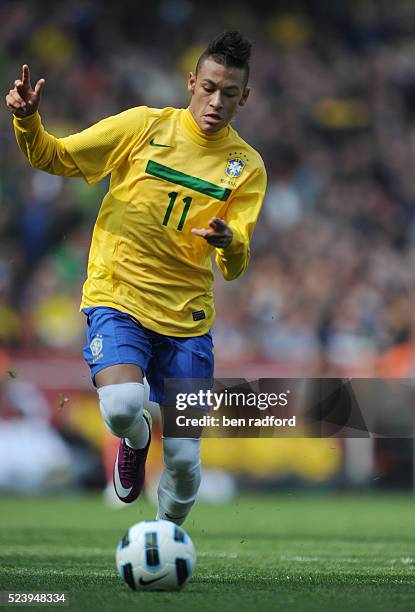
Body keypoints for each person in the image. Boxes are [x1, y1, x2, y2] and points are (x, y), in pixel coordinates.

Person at [6, 31, 267, 525]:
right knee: (125, 407)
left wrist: (229, 242)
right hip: (119, 297)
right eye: (209, 87)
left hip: (187, 321)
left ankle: (163, 544)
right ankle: (135, 438)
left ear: (244, 97)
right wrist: (27, 121)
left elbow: (236, 265)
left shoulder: (246, 166)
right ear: (191, 82)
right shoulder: (143, 127)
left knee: (187, 465)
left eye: (229, 93)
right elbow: (54, 157)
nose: (216, 101)